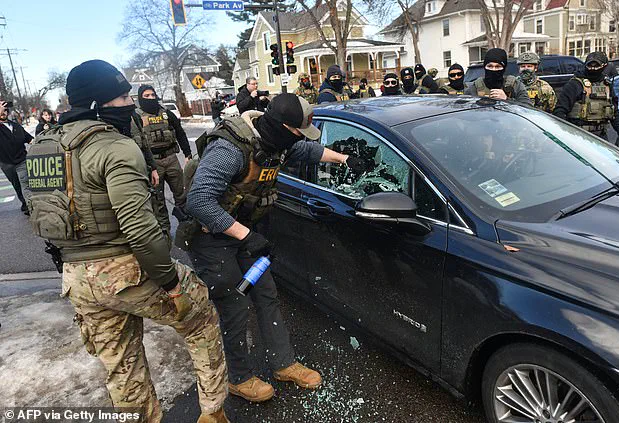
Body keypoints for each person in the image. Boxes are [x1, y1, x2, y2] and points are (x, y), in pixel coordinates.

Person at [25, 59, 228, 423]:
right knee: (200, 318)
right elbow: (141, 230)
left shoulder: (41, 147)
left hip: (76, 277)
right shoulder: (115, 146)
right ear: (96, 103)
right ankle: (213, 413)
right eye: (121, 98)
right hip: (125, 270)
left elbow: (43, 213)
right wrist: (170, 283)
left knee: (122, 366)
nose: (130, 104)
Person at [185, 93, 367, 403]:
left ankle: (284, 364)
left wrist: (343, 159)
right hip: (212, 238)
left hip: (245, 233)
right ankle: (239, 378)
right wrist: (247, 236)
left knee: (266, 294)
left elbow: (306, 150)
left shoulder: (277, 142)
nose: (299, 138)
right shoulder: (230, 149)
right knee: (234, 306)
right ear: (282, 126)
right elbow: (199, 201)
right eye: (297, 131)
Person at [137, 84, 192, 234]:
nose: (150, 98)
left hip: (171, 159)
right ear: (140, 98)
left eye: (152, 95)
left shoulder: (166, 113)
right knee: (158, 200)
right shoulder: (136, 116)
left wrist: (187, 154)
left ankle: (187, 226)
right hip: (153, 164)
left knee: (181, 195)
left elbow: (180, 133)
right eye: (146, 96)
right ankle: (165, 232)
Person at [553, 52, 619, 148]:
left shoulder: (607, 85)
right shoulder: (575, 84)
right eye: (590, 66)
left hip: (601, 137)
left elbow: (614, 112)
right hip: (578, 136)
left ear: (604, 66)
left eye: (596, 66)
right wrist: (566, 135)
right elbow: (559, 111)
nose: (593, 69)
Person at [465, 48, 531, 105]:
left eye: (498, 66)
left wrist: (506, 99)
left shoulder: (515, 85)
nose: (493, 70)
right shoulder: (474, 87)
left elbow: (527, 107)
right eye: (490, 66)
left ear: (504, 68)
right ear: (485, 67)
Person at [0, 100, 32, 215]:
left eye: (5, 110)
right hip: (6, 163)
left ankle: (31, 206)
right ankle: (25, 203)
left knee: (25, 184)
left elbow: (29, 139)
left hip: (21, 160)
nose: (3, 112)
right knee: (17, 186)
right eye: (1, 110)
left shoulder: (16, 126)